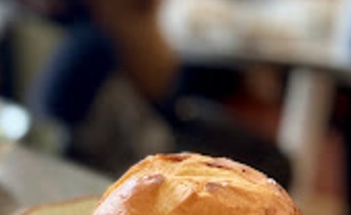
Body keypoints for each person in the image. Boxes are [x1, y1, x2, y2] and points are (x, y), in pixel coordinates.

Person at [24, 0, 293, 187]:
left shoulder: (122, 27)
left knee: (267, 153)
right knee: (270, 162)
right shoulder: (95, 48)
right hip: (141, 153)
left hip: (160, 124)